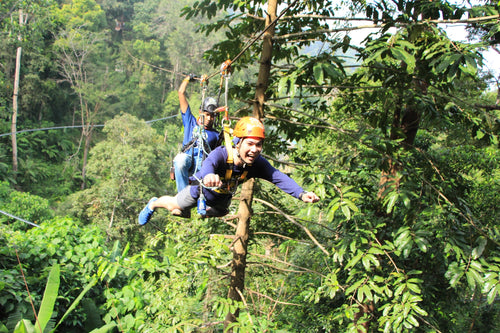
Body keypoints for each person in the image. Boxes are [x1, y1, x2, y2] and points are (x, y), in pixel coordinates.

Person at [138, 117, 320, 225]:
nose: (255, 149)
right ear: (238, 142)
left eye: (259, 145)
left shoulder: (257, 164)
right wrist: (208, 175)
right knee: (173, 206)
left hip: (220, 201)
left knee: (222, 211)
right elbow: (208, 165)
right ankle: (153, 204)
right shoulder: (222, 154)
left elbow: (277, 177)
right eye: (250, 144)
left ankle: (206, 211)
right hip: (199, 193)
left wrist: (301, 194)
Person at [173, 74, 220, 192]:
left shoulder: (216, 135)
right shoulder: (191, 122)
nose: (209, 118)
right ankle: (182, 196)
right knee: (180, 160)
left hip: (202, 165)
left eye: (212, 116)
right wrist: (187, 79)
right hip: (187, 160)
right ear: (201, 112)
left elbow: (217, 156)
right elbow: (181, 93)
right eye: (207, 115)